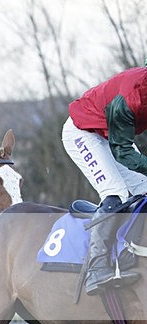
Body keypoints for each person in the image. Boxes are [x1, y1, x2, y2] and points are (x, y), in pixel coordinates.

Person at [62, 66, 147, 295]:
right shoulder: (133, 97)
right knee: (116, 193)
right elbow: (123, 153)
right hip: (83, 132)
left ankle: (128, 251)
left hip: (111, 133)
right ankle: (97, 267)